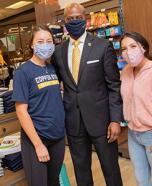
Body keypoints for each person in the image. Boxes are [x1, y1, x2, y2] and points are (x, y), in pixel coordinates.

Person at [52, 3, 123, 186]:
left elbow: (114, 85)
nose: (74, 21)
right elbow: (55, 84)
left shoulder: (102, 46)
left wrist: (115, 120)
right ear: (64, 22)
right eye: (70, 19)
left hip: (102, 123)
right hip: (74, 123)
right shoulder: (58, 51)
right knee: (81, 172)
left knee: (111, 170)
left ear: (86, 19)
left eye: (78, 18)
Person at [12, 25, 65, 186]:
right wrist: (38, 144)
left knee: (54, 181)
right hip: (37, 137)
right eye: (40, 41)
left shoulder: (52, 68)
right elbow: (21, 111)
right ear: (32, 45)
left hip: (58, 136)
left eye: (49, 41)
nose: (45, 45)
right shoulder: (23, 72)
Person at [120, 32, 152, 186]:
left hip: (151, 133)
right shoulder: (126, 71)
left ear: (143, 47)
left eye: (133, 46)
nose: (128, 52)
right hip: (133, 134)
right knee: (141, 179)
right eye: (124, 48)